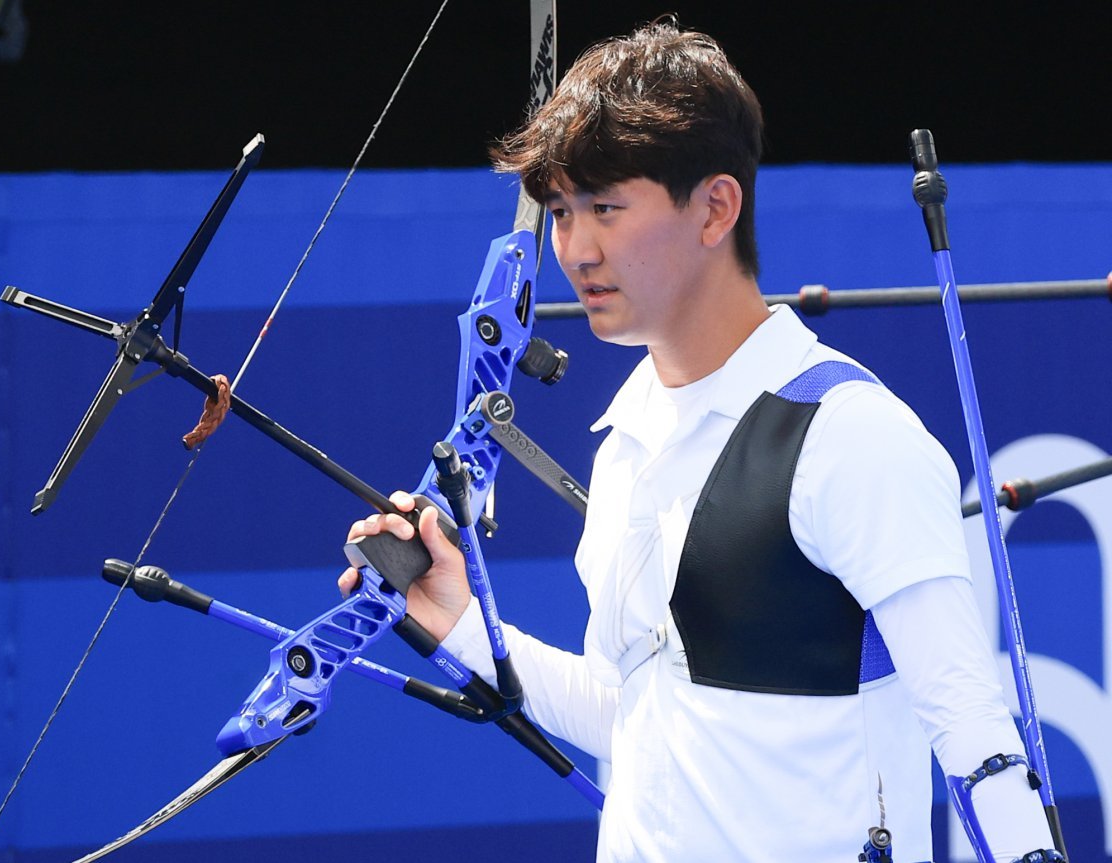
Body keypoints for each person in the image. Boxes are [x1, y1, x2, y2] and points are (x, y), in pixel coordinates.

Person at [340, 20, 1057, 863]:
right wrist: (461, 622)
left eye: (605, 206)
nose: (575, 248)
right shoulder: (626, 441)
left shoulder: (852, 435)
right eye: (562, 213)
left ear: (716, 206)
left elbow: (977, 738)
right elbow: (638, 713)